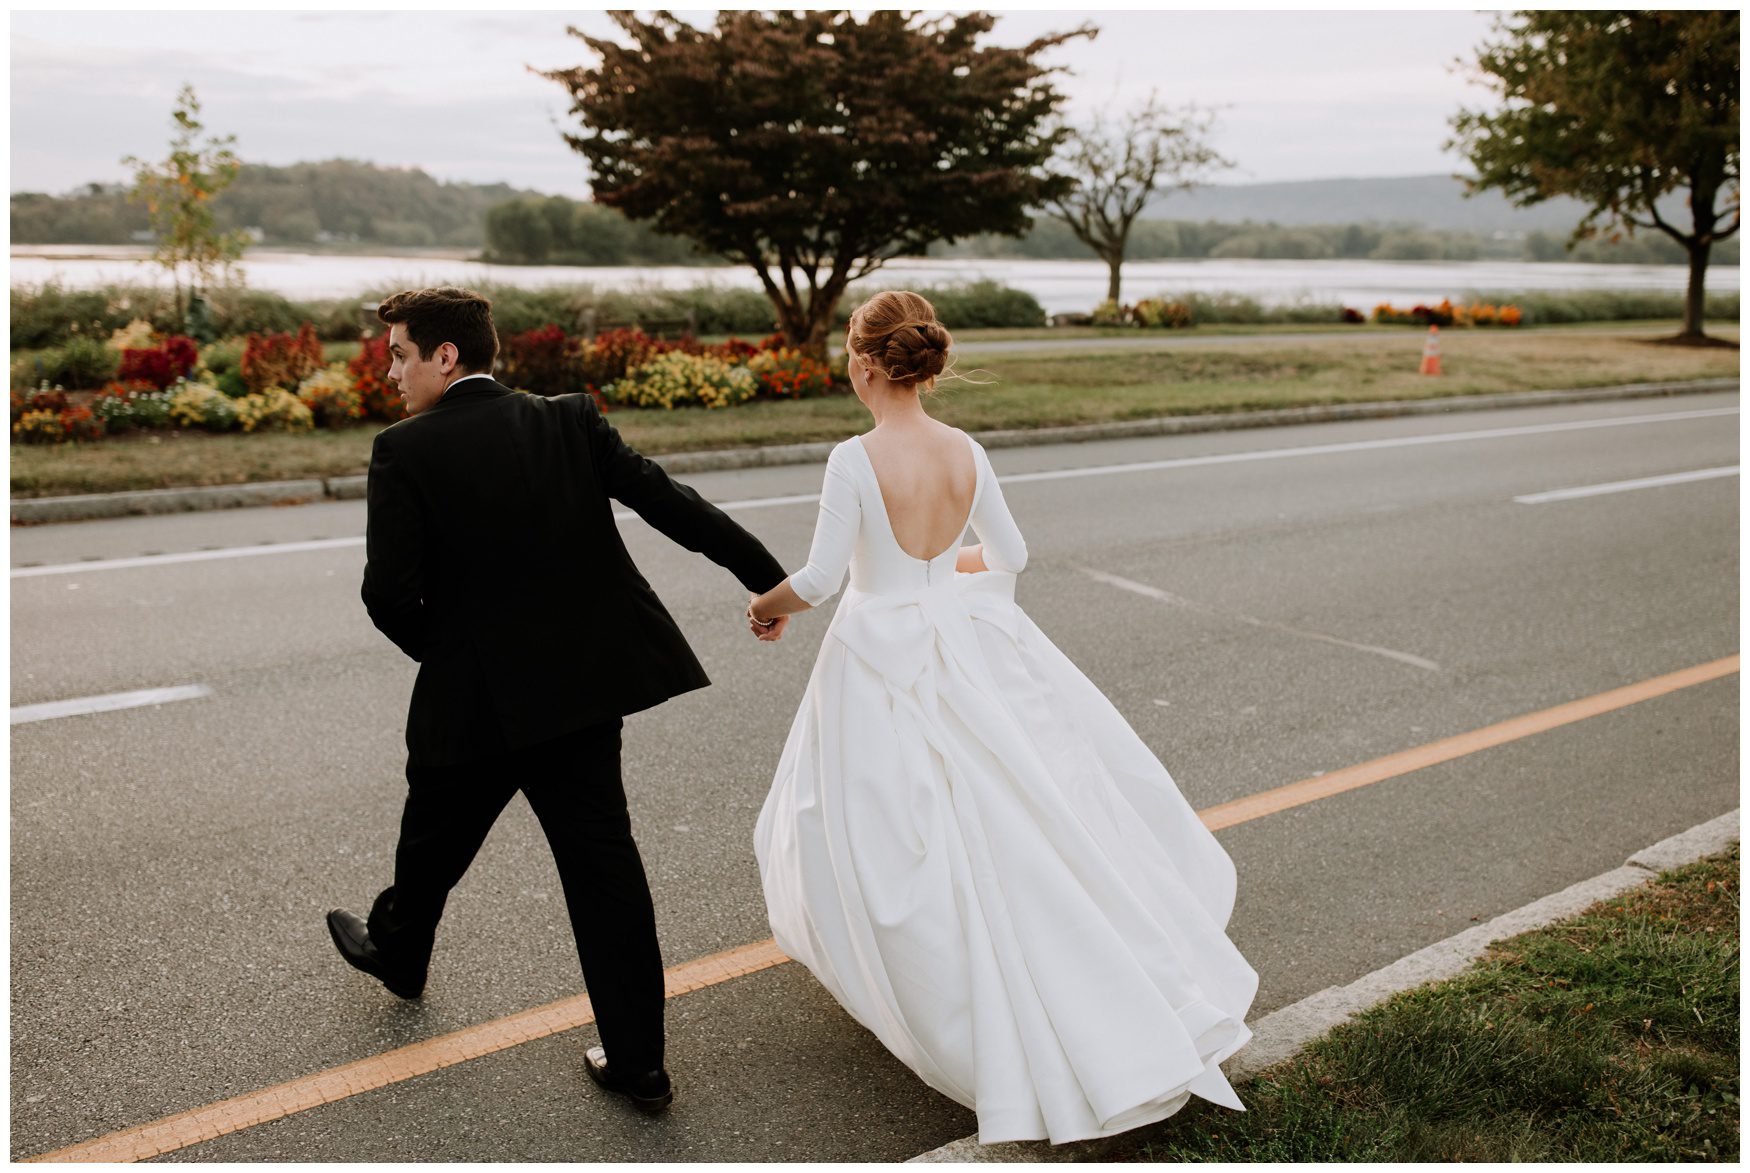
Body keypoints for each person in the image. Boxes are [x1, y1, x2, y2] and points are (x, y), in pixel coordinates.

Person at [746, 290, 1258, 1145]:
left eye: (846, 350)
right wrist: (947, 565)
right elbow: (1012, 556)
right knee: (1017, 810)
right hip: (959, 636)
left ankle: (934, 989)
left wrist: (767, 606)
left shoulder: (854, 457)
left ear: (866, 363)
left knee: (877, 820)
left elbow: (825, 576)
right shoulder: (966, 450)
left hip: (878, 650)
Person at [327, 286, 789, 1116]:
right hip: (577, 698)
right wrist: (768, 580)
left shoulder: (403, 452)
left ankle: (398, 951)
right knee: (600, 870)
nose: (387, 369)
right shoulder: (568, 418)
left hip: (475, 705)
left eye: (397, 352)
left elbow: (388, 598)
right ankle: (639, 1063)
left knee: (432, 835)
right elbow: (670, 504)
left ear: (445, 356)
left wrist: (467, 660)